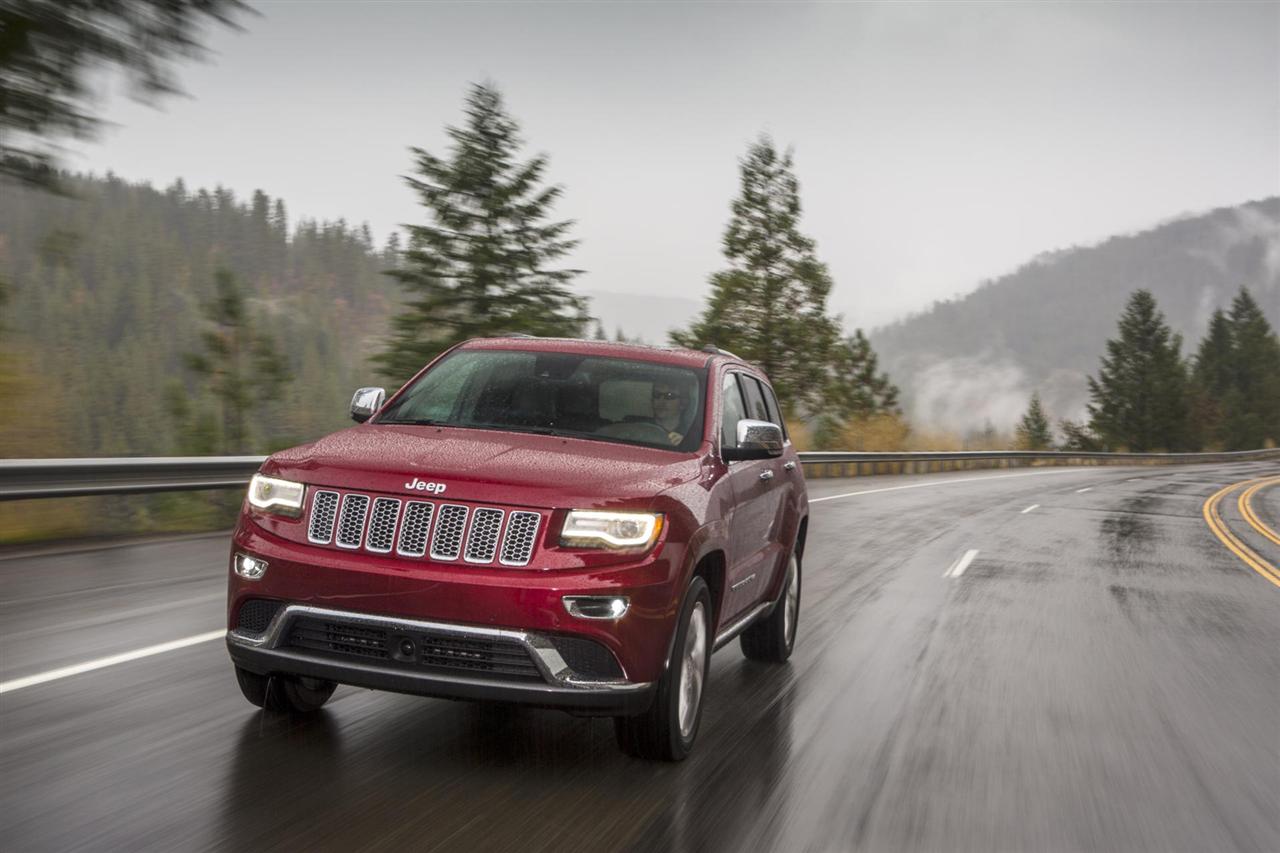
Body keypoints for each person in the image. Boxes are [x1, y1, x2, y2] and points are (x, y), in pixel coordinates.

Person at [651, 380, 688, 446]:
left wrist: (684, 444)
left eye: (669, 396)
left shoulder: (690, 435)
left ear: (683, 403)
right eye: (657, 395)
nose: (661, 401)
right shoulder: (636, 426)